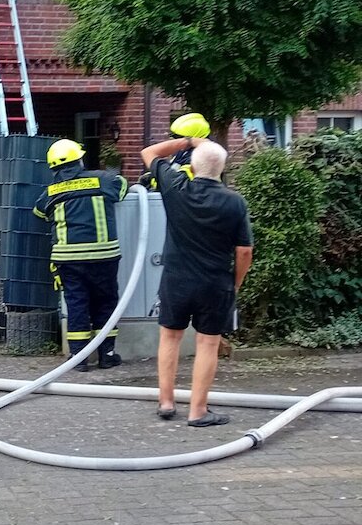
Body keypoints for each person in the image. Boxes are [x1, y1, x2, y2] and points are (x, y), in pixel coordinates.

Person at [140, 136, 253, 426]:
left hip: (176, 279)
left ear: (192, 164)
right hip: (216, 283)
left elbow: (149, 152)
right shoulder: (234, 202)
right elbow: (244, 251)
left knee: (170, 337)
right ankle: (197, 411)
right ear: (223, 168)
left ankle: (166, 403)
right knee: (207, 343)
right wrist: (235, 283)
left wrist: (189, 140)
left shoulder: (176, 187)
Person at [33, 139, 129, 371]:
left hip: (68, 258)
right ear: (80, 160)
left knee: (77, 304)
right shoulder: (102, 180)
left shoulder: (51, 191)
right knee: (105, 302)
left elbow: (39, 212)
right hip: (103, 256)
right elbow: (123, 187)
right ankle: (107, 354)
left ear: (53, 167)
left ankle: (79, 359)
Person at [139, 112, 209, 189]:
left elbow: (174, 181)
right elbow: (173, 168)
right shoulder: (183, 152)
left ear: (192, 137)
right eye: (172, 135)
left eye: (178, 137)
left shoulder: (198, 157)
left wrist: (155, 179)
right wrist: (151, 176)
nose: (173, 140)